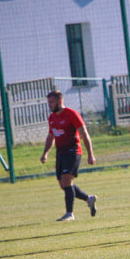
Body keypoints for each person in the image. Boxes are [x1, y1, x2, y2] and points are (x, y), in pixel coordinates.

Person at [40, 91, 97, 221]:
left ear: (60, 101)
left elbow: (84, 134)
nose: (49, 105)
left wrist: (91, 155)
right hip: (60, 153)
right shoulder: (52, 117)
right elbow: (51, 136)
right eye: (48, 102)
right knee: (63, 185)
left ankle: (69, 213)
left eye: (52, 102)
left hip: (73, 151)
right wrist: (45, 153)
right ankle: (89, 199)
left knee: (67, 180)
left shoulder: (72, 114)